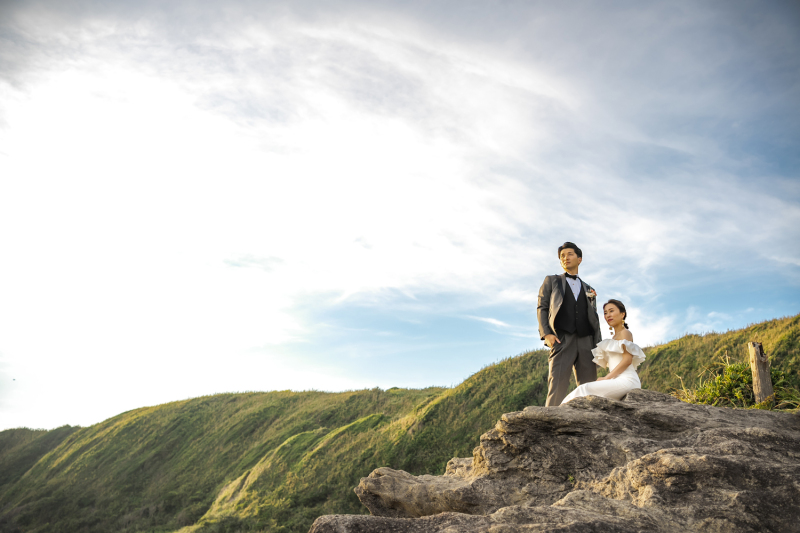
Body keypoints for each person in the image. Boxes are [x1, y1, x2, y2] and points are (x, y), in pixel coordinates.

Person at [537, 242, 602, 406]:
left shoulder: (589, 289)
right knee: (557, 384)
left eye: (569, 254)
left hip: (586, 340)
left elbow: (593, 317)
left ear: (579, 259)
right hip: (562, 338)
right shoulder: (552, 281)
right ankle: (549, 424)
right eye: (562, 256)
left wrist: (597, 344)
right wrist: (547, 334)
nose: (565, 258)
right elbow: (542, 307)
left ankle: (588, 423)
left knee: (589, 388)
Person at [562, 299, 644, 404]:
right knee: (587, 393)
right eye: (605, 313)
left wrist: (606, 378)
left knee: (584, 389)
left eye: (611, 311)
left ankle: (555, 415)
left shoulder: (625, 333)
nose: (608, 315)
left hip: (627, 380)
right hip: (616, 380)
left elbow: (627, 360)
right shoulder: (613, 338)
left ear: (622, 314)